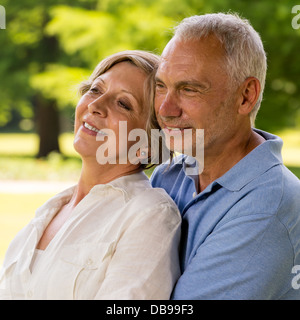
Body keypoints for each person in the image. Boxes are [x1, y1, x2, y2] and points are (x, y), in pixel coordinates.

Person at [0, 50, 181, 300]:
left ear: (148, 144)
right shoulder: (51, 208)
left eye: (123, 104)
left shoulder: (149, 214)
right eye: (96, 90)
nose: (95, 105)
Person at [151, 13, 300, 299]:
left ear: (245, 96)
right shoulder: (169, 175)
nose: (166, 109)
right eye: (161, 86)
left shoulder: (270, 207)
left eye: (189, 89)